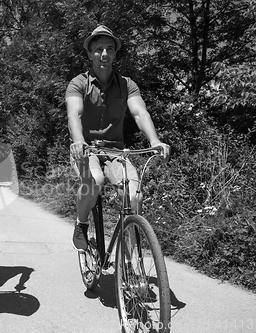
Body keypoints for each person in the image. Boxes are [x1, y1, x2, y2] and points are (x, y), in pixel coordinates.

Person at [66, 25, 171, 251]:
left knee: (134, 197)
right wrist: (77, 141)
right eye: (99, 49)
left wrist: (155, 141)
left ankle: (131, 263)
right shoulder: (78, 83)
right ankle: (81, 223)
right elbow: (74, 114)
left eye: (110, 49)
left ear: (115, 54)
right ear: (90, 53)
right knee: (94, 182)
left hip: (116, 151)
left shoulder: (127, 85)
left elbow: (139, 113)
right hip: (86, 149)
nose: (104, 54)